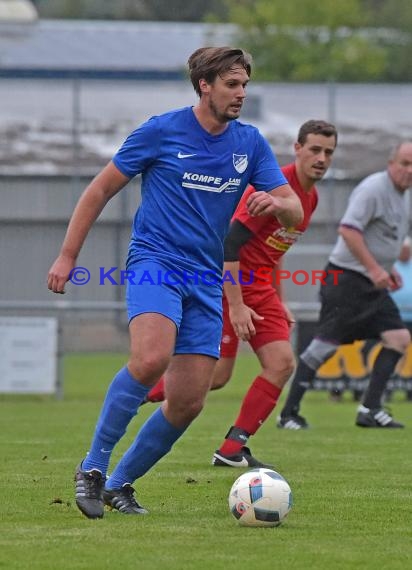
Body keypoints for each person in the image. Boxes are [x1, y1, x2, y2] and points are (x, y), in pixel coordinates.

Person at [47, 46, 303, 519]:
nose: (241, 93)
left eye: (245, 84)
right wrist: (67, 256)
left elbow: (295, 207)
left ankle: (120, 484)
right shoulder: (161, 131)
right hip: (155, 263)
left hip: (206, 280)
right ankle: (93, 467)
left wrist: (278, 205)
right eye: (232, 83)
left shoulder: (249, 143)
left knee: (187, 403)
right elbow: (99, 189)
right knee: (150, 357)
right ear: (204, 85)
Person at [145, 120, 338, 467]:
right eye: (314, 149)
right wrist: (235, 306)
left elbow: (273, 252)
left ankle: (233, 448)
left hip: (260, 289)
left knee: (281, 364)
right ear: (297, 149)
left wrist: (279, 299)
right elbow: (229, 244)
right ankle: (136, 395)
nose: (321, 158)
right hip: (227, 284)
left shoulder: (309, 197)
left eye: (328, 152)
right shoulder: (272, 188)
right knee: (214, 377)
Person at [278, 141, 412, 430]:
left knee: (399, 338)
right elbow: (348, 231)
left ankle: (370, 409)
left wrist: (388, 270)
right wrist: (376, 269)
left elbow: (384, 237)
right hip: (347, 280)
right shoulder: (373, 189)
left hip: (372, 283)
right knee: (322, 349)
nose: (408, 170)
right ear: (391, 164)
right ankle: (288, 413)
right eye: (404, 163)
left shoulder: (405, 197)